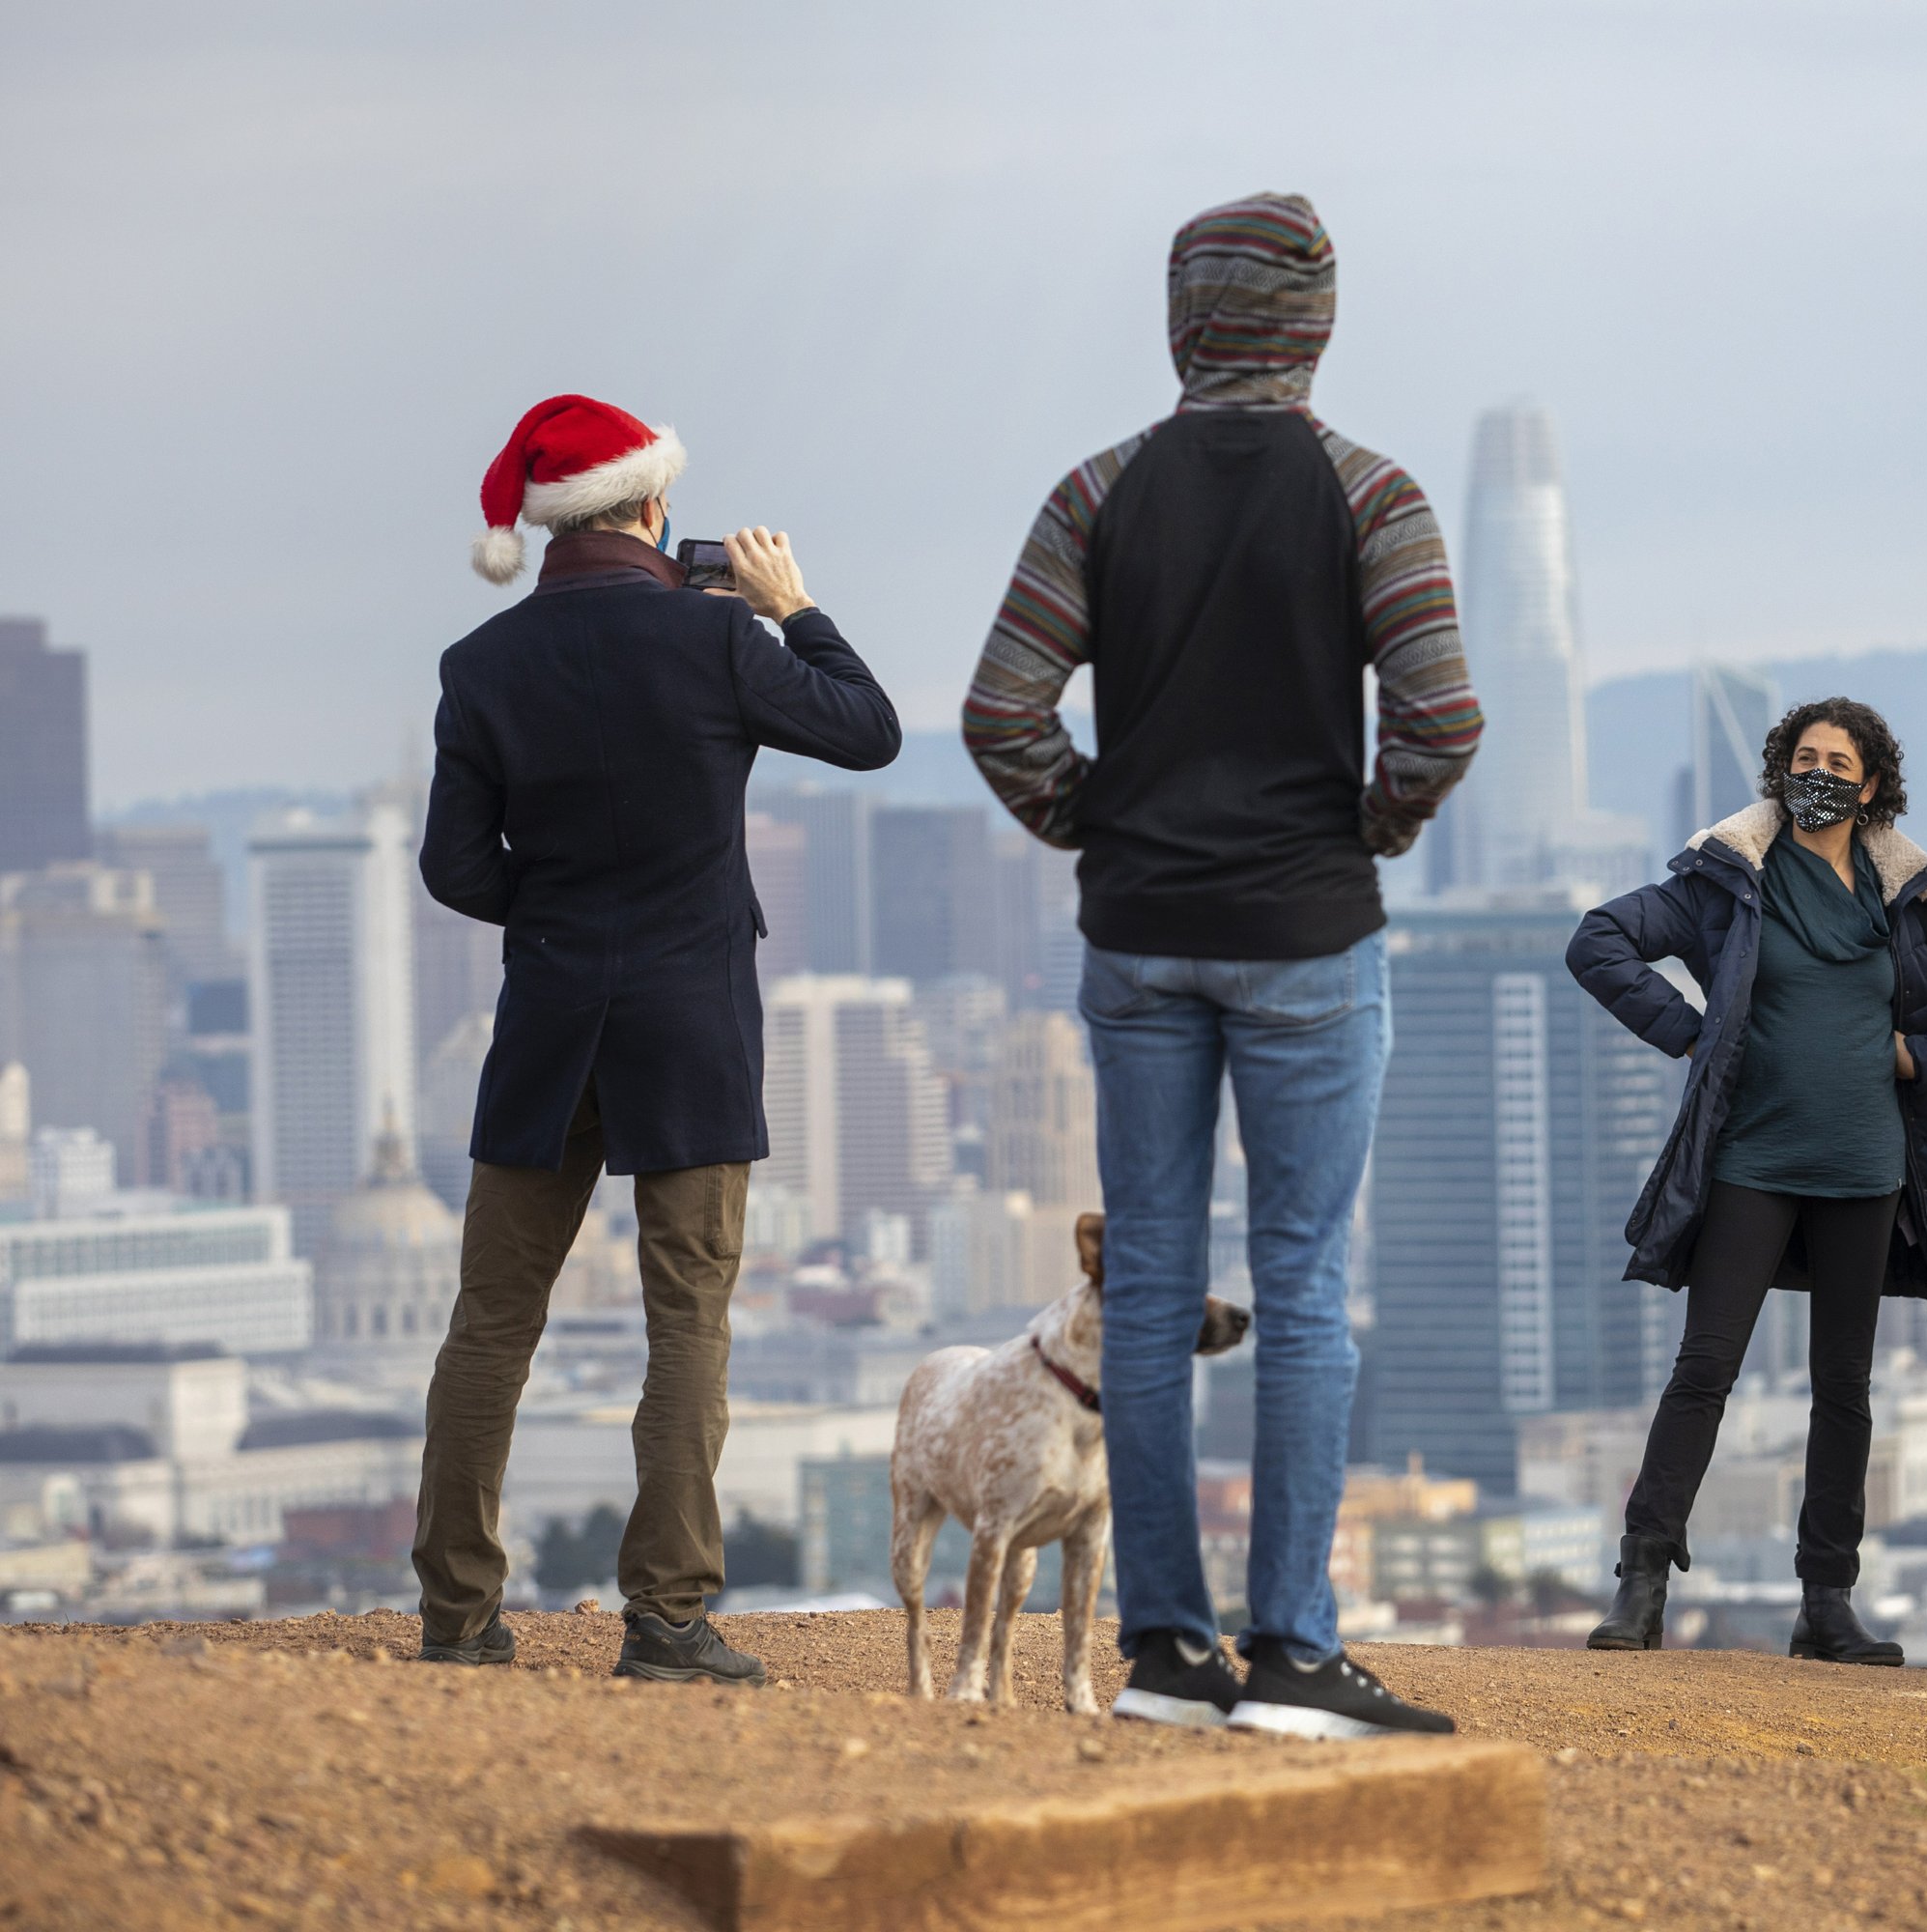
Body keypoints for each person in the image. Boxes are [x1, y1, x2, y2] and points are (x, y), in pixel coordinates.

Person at [965, 194, 1480, 1739]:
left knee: (1150, 1293)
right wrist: (1365, 831)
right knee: (1305, 1289)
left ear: (1181, 321)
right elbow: (1442, 718)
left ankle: (1170, 1660)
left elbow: (1003, 711)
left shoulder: (1097, 495)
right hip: (1309, 930)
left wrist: (1100, 823)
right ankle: (1299, 1659)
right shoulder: (1372, 496)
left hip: (1139, 936)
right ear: (1315, 325)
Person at [415, 394, 901, 1682]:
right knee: (687, 1316)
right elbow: (869, 730)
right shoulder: (716, 640)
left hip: (547, 1023)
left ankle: (457, 1618)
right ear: (647, 508)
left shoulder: (482, 665)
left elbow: (455, 867)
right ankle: (667, 1619)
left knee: (492, 1321)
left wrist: (564, 913)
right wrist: (791, 604)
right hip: (691, 1022)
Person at [1567, 698, 1927, 1663]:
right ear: (1779, 769)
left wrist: (1925, 1059)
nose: (1821, 771)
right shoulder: (1728, 881)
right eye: (1805, 756)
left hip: (1869, 1171)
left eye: (1840, 760)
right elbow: (1599, 941)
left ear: (1871, 782)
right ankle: (1642, 1582)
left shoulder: (1911, 897)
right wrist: (1691, 1033)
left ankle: (1826, 1604)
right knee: (1704, 1369)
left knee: (1845, 1388)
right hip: (1751, 1161)